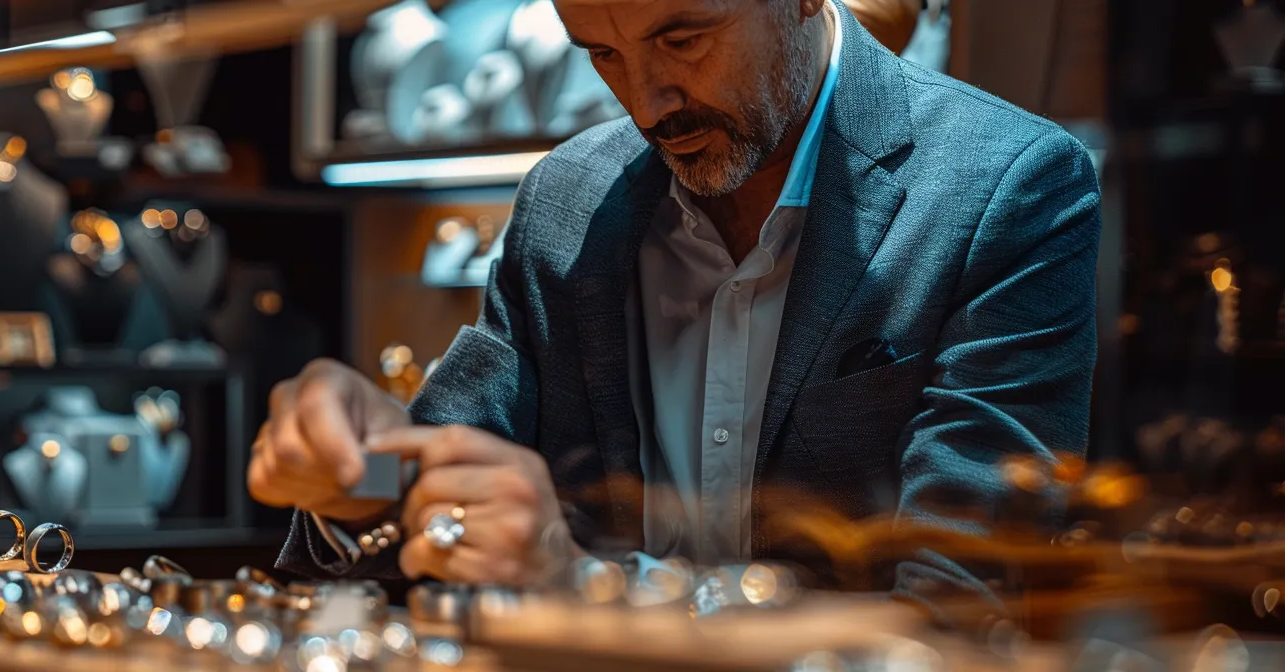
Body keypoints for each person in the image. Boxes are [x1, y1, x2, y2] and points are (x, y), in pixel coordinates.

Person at [252, 0, 1100, 612]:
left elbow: (960, 601)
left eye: (683, 38)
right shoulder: (566, 201)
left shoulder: (1010, 186)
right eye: (602, 55)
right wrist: (360, 470)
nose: (647, 103)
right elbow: (443, 473)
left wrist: (576, 585)